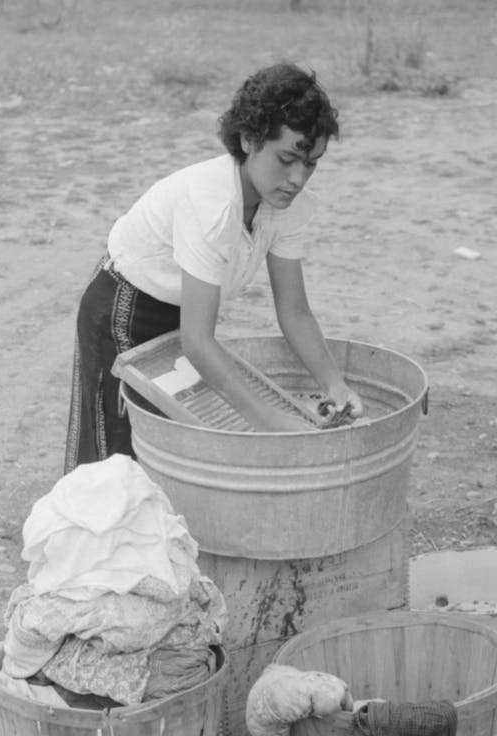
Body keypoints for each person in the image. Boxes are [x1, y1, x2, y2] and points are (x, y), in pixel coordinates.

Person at [64, 62, 363, 474]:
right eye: (287, 158)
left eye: (310, 164)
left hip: (181, 312)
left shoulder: (285, 207)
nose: (297, 178)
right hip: (123, 308)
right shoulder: (212, 207)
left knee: (171, 449)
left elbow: (294, 310)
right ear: (248, 139)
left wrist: (334, 383)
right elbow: (199, 342)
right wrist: (272, 424)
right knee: (113, 459)